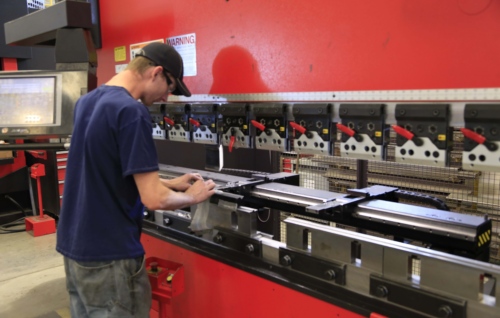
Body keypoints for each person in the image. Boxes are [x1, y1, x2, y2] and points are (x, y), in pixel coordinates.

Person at [56, 42, 216, 317]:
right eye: (170, 87)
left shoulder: (87, 102)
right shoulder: (131, 111)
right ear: (156, 72)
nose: (167, 97)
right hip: (110, 256)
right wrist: (194, 196)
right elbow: (153, 200)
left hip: (74, 249)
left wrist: (169, 184)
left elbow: (102, 173)